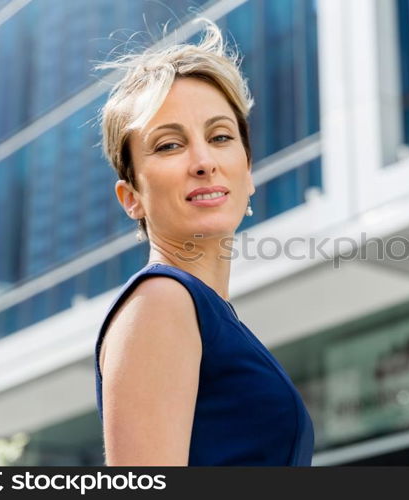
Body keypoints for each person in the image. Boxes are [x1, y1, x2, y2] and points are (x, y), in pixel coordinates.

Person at [93, 18, 314, 466]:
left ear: (248, 172)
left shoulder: (205, 314)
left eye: (219, 137)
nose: (203, 162)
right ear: (131, 198)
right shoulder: (161, 301)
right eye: (170, 145)